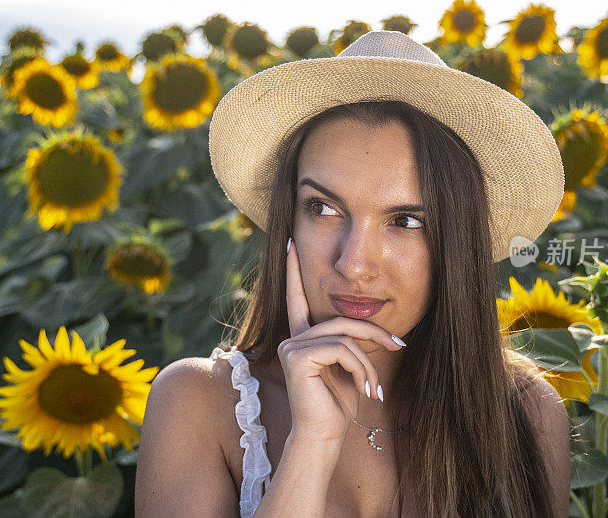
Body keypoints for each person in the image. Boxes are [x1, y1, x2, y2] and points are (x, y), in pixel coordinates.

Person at [135, 30, 571, 517]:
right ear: (288, 222)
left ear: (457, 243)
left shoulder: (527, 415)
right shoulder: (199, 404)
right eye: (322, 208)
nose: (354, 263)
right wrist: (312, 446)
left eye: (407, 221)